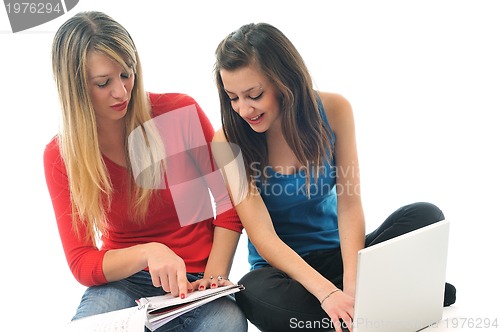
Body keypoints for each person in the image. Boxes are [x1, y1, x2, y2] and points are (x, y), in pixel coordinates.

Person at [211, 22, 456, 332]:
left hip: (339, 254)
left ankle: (354, 306)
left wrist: (351, 284)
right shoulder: (227, 141)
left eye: (254, 95)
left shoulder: (334, 109)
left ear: (284, 81)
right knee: (252, 291)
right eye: (233, 98)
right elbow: (263, 237)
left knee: (425, 215)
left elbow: (350, 205)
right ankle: (383, 303)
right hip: (284, 274)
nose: (244, 109)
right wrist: (325, 292)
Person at [44, 11, 247, 332]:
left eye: (127, 74)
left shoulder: (180, 112)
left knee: (226, 324)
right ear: (75, 88)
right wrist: (149, 253)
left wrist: (213, 279)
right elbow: (82, 261)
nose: (121, 92)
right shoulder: (61, 155)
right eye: (103, 83)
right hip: (123, 283)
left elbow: (232, 202)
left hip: (197, 277)